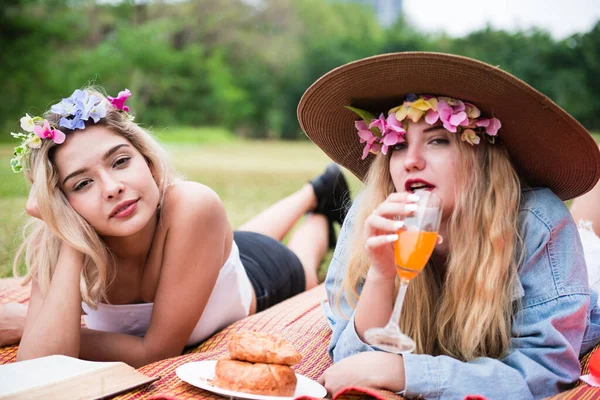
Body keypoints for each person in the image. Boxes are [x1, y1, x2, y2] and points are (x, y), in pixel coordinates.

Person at [296, 52, 600, 399]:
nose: (411, 161)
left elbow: (546, 372)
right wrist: (381, 275)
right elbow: (349, 367)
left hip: (580, 278)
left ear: (482, 156)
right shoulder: (372, 215)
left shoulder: (538, 225)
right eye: (397, 145)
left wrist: (404, 371)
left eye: (438, 140)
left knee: (589, 235)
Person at [0, 86, 351, 368]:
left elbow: (155, 353)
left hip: (264, 274)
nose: (111, 188)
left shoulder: (193, 205)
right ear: (60, 203)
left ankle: (317, 204)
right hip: (205, 254)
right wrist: (69, 234)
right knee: (244, 235)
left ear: (148, 161)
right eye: (81, 184)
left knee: (303, 264)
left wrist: (32, 327)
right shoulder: (57, 239)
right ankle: (317, 189)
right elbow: (40, 365)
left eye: (120, 161)